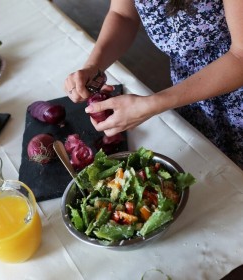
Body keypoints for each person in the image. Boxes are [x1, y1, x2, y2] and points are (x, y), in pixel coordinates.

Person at [64, 0, 243, 169]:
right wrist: (93, 66)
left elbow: (240, 56)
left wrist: (153, 103)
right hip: (188, 89)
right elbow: (122, 15)